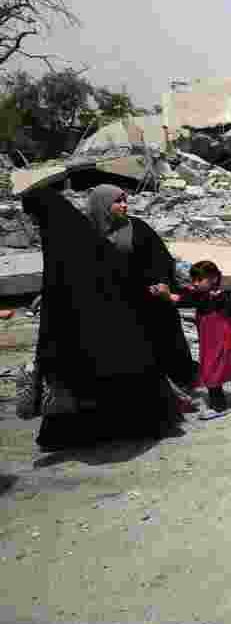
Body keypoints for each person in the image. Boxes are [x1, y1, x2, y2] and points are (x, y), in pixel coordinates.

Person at [20, 183, 192, 451]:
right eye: (118, 201)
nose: (125, 205)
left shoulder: (119, 231)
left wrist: (157, 287)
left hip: (139, 303)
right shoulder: (83, 232)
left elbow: (157, 263)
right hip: (114, 309)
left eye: (125, 200)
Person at [167, 260, 231, 413]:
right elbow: (182, 300)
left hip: (226, 338)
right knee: (218, 368)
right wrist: (166, 294)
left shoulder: (222, 298)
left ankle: (220, 405)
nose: (196, 283)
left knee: (220, 368)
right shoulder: (198, 295)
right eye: (194, 280)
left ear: (213, 278)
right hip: (209, 342)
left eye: (200, 280)